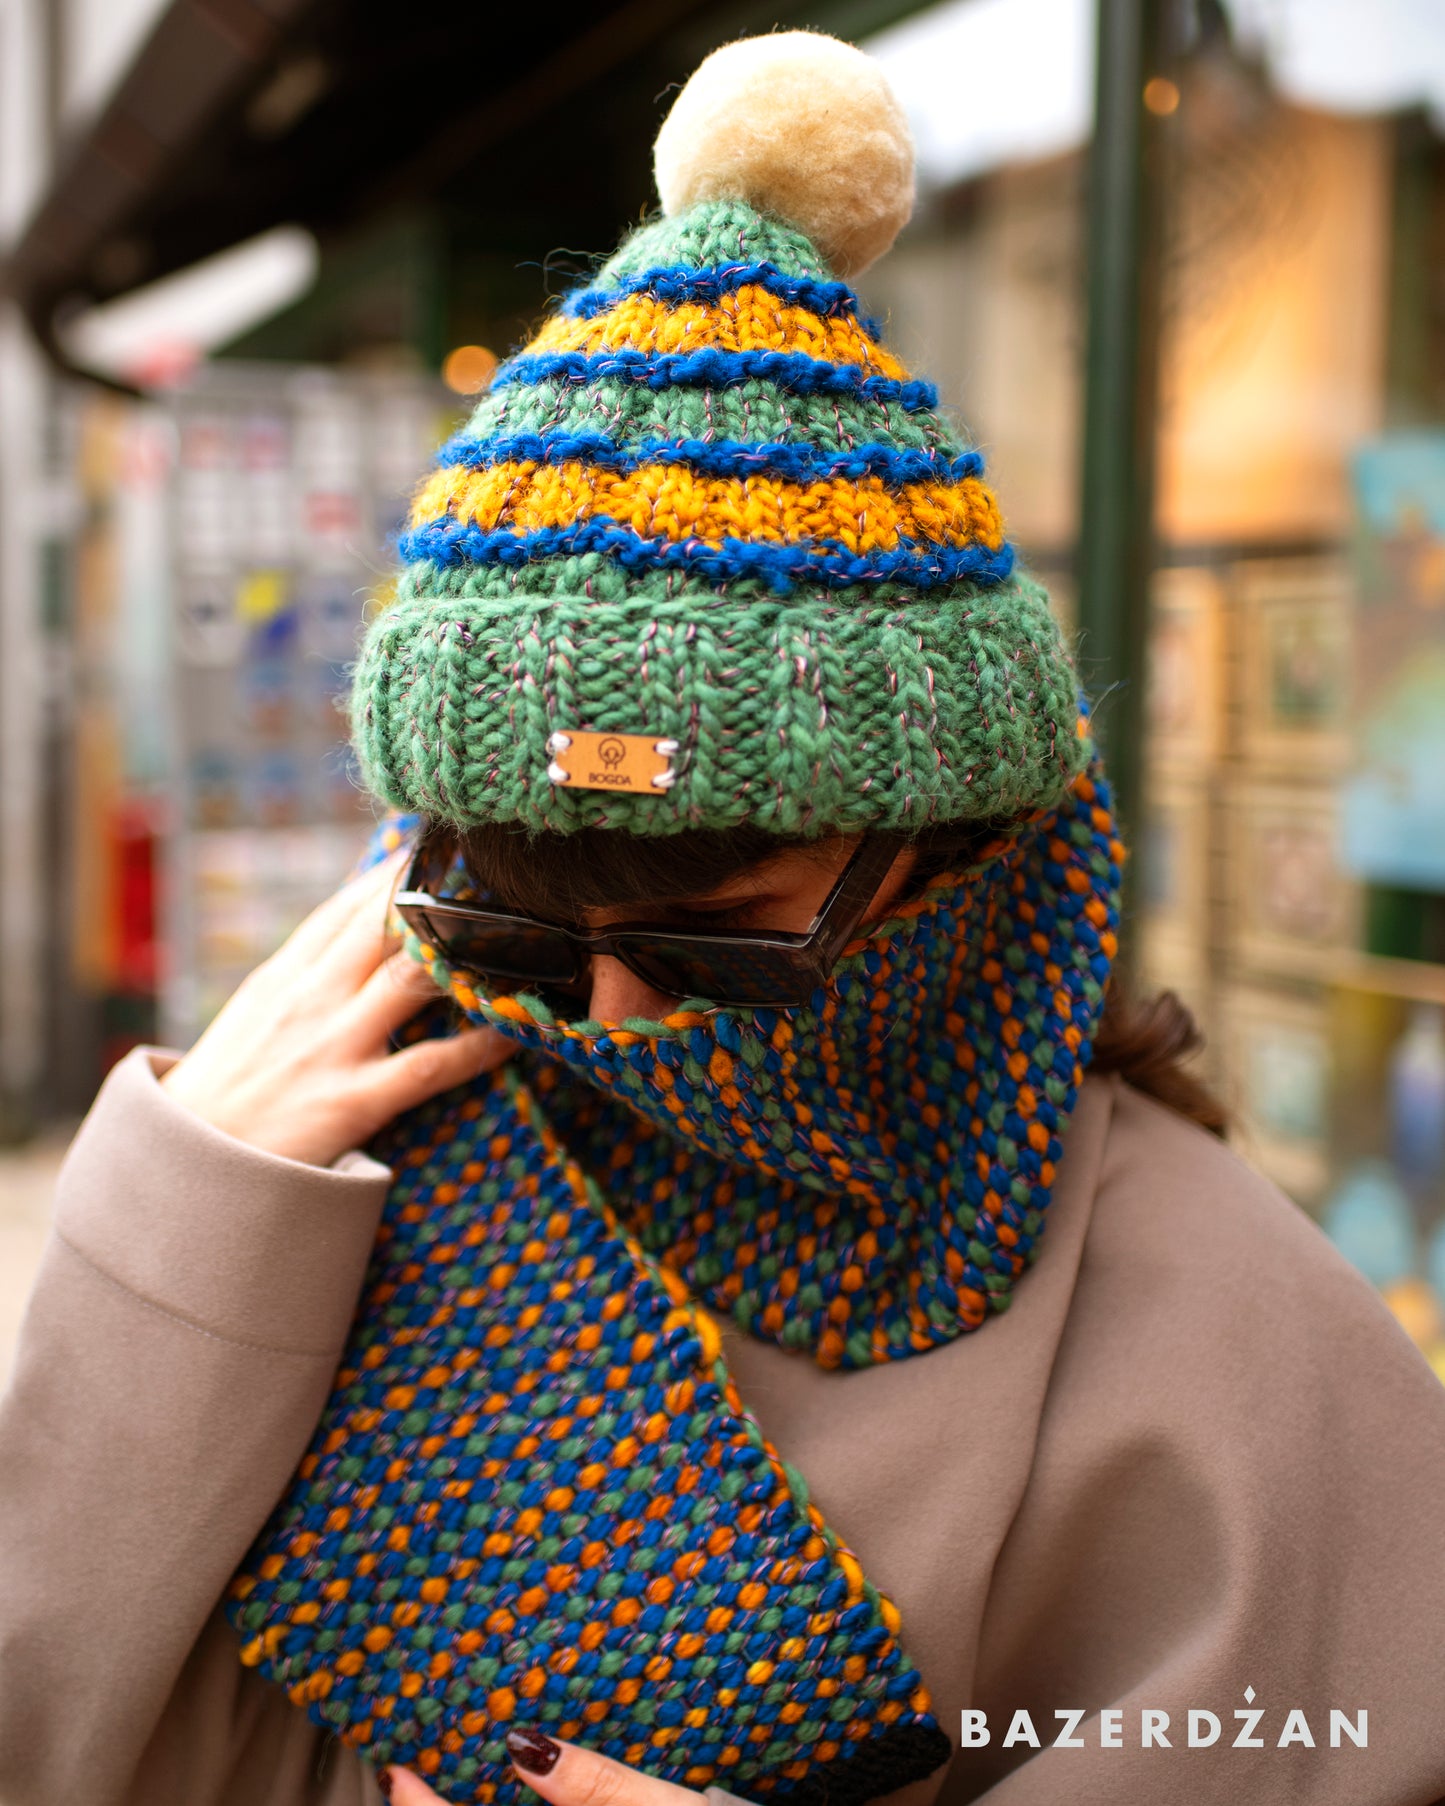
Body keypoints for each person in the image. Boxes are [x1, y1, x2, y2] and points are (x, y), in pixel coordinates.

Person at [2, 29, 1444, 1806]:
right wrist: (170, 1246)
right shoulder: (318, 1164)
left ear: (961, 847)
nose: (604, 1022)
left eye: (715, 940)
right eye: (517, 927)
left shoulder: (1236, 1350)